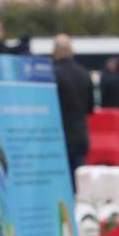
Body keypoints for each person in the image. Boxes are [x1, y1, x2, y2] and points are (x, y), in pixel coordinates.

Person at [52, 34, 93, 181]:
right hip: (80, 133)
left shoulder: (53, 73)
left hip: (59, 135)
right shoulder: (84, 73)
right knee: (79, 179)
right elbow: (90, 108)